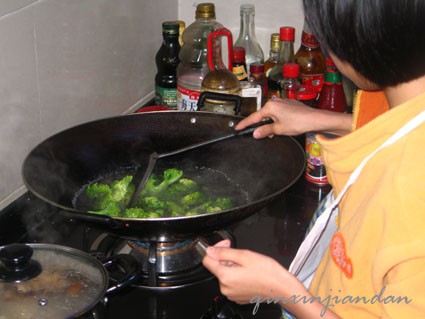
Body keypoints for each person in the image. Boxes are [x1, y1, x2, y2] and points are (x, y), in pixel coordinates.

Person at [202, 0, 425, 318]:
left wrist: (281, 291)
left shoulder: (411, 191)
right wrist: (321, 119)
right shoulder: (404, 95)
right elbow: (395, 129)